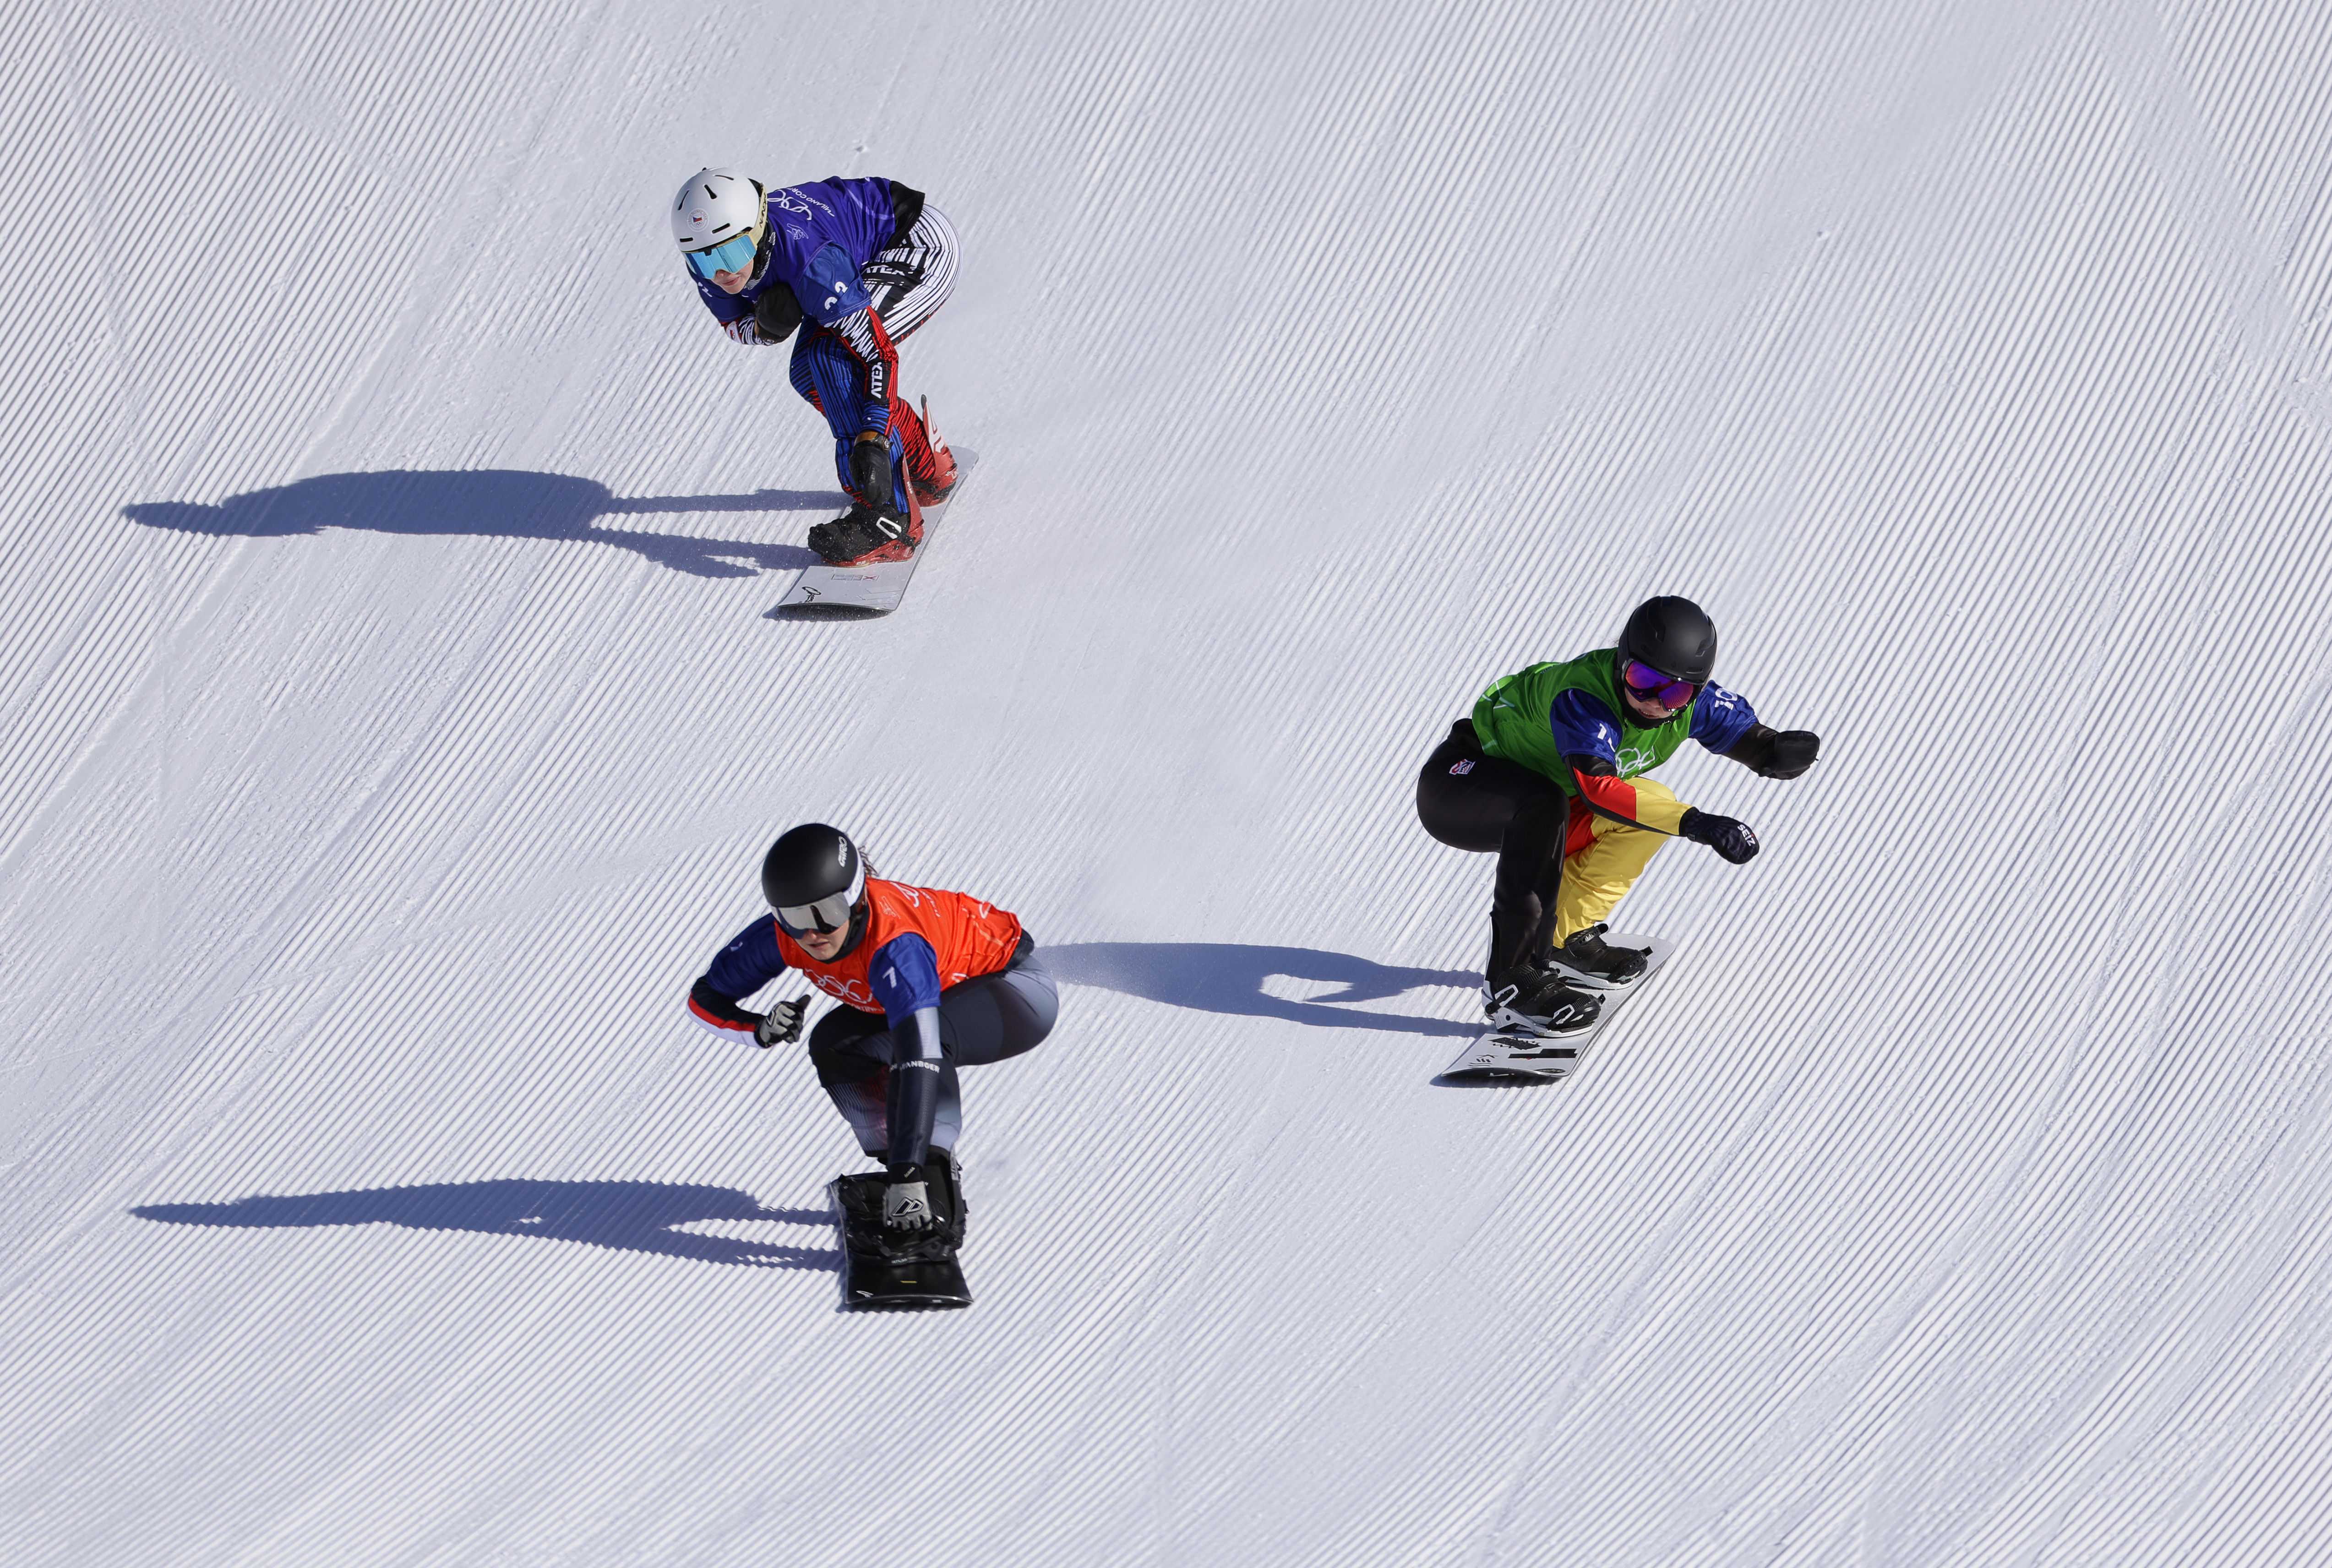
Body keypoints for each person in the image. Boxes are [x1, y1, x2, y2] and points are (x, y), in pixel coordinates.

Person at [1415, 596, 1820, 1033]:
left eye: (1677, 692)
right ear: (1621, 661)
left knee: (1653, 801)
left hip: (1550, 802)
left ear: (1697, 691)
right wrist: (1694, 822)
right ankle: (1513, 982)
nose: (1654, 701)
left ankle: (1565, 936)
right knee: (1549, 804)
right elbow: (1598, 790)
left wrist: (1783, 755)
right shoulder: (1583, 696)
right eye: (1642, 679)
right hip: (1460, 783)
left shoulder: (1693, 704)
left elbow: (1759, 746)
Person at [685, 824, 1057, 1233]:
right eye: (794, 917)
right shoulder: (781, 938)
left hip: (1015, 991)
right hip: (947, 991)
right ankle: (904, 1173)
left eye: (829, 913)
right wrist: (759, 1029)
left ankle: (931, 1195)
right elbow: (703, 999)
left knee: (914, 1045)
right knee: (833, 1046)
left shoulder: (896, 947)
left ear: (858, 899)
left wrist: (909, 1170)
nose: (813, 933)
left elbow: (921, 1057)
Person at [670, 168, 961, 565]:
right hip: (859, 254)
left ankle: (889, 521)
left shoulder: (810, 261)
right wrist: (764, 330)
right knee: (807, 375)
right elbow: (734, 325)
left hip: (916, 248)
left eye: (732, 253)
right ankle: (924, 462)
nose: (722, 273)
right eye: (704, 260)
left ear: (757, 231)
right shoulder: (708, 252)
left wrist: (872, 437)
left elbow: (878, 355)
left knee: (831, 357)